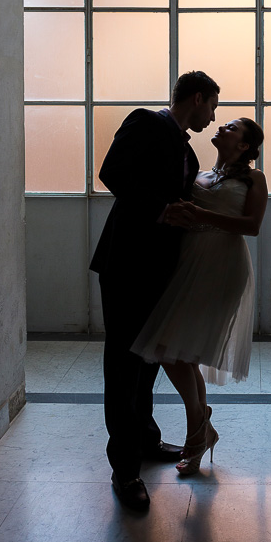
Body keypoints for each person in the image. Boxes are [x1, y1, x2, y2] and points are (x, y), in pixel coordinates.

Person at [90, 70, 220, 510]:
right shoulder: (146, 122)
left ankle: (145, 442)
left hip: (160, 269)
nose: (213, 116)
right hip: (126, 263)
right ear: (197, 98)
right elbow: (112, 173)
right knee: (124, 365)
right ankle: (124, 471)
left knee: (147, 361)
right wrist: (164, 210)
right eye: (212, 106)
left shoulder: (187, 150)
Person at [131, 116, 267, 475]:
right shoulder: (198, 174)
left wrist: (201, 213)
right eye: (223, 122)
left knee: (171, 347)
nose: (221, 126)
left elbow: (252, 226)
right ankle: (200, 427)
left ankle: (198, 428)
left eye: (232, 127)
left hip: (222, 266)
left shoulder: (254, 178)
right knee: (180, 350)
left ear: (244, 145)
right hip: (188, 262)